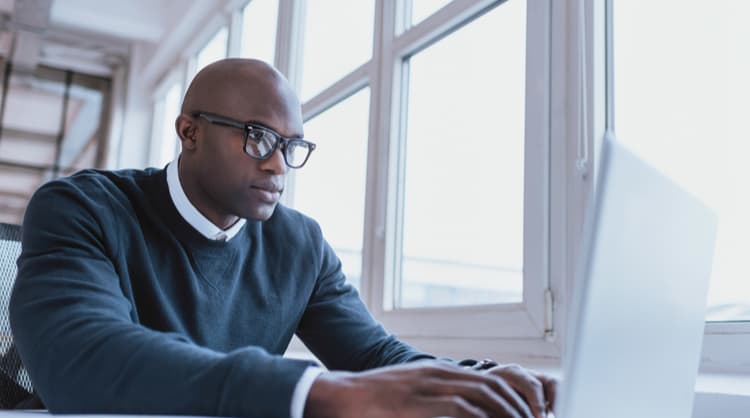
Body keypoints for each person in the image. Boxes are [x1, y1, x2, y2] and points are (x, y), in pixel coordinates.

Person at [10, 58, 557, 418]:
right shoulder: (82, 208)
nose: (277, 165)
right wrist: (312, 391)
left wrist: (479, 380)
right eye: (257, 137)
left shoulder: (300, 245)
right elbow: (79, 357)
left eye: (290, 146)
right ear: (189, 132)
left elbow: (373, 354)